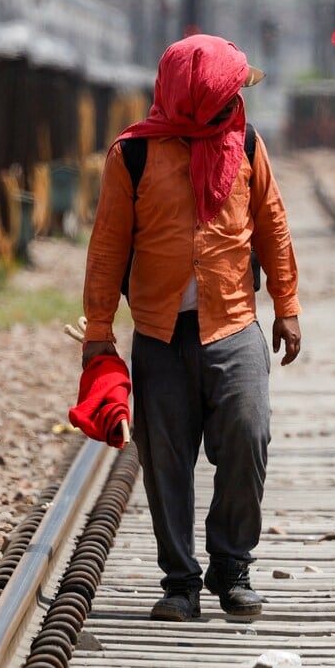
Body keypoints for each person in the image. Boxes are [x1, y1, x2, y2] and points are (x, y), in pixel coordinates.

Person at [81, 34, 302, 622]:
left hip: (233, 324)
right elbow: (107, 247)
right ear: (195, 97)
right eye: (227, 93)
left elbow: (272, 226)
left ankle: (232, 567)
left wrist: (287, 306)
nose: (237, 103)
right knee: (166, 462)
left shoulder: (247, 145)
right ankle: (180, 582)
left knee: (248, 438)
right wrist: (99, 330)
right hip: (159, 332)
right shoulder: (131, 155)